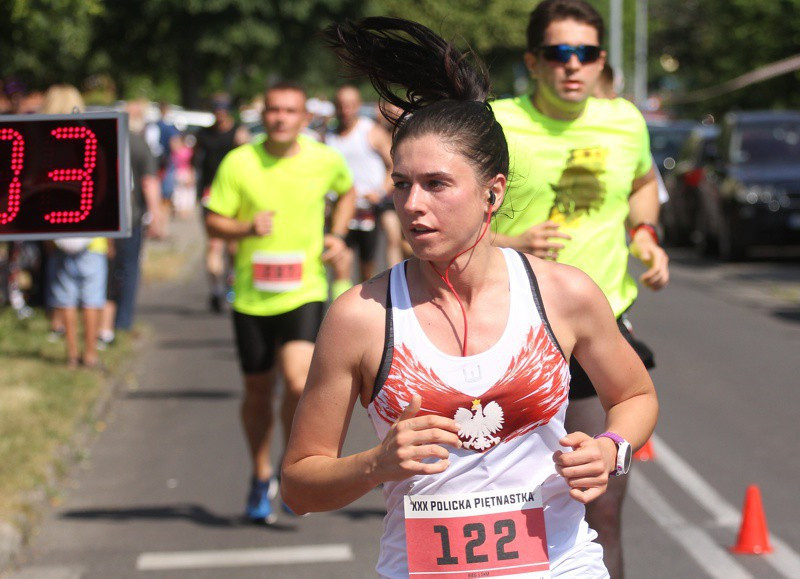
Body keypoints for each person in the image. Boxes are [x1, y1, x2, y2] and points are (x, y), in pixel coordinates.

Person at [282, 17, 658, 578]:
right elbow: (299, 484)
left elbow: (635, 395)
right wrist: (375, 464)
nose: (412, 205)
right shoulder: (362, 316)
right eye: (401, 184)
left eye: (436, 184)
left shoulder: (564, 293)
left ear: (493, 191)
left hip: (560, 567)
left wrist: (610, 449)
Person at [489, 2, 669, 576]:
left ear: (600, 61)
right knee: (505, 506)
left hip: (595, 332)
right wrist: (510, 240)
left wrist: (644, 232)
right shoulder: (495, 122)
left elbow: (642, 181)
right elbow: (448, 215)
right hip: (509, 332)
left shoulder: (624, 121)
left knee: (603, 505)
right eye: (558, 54)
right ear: (533, 62)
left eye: (586, 54)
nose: (573, 66)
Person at [204, 81, 357, 524]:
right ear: (263, 115)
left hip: (304, 290)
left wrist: (337, 234)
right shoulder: (240, 162)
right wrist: (245, 229)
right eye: (273, 110)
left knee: (296, 382)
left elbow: (346, 192)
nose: (280, 118)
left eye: (290, 111)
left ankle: (295, 473)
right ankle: (259, 474)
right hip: (252, 298)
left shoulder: (324, 160)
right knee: (257, 391)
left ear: (304, 118)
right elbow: (213, 222)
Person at [40, 84, 108, 368]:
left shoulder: (43, 146)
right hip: (92, 236)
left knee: (66, 296)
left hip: (59, 235)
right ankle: (90, 353)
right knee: (90, 298)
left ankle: (72, 355)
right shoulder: (94, 141)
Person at [99, 100, 166, 345]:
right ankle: (123, 320)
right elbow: (149, 182)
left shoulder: (102, 141)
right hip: (129, 218)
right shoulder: (139, 144)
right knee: (128, 269)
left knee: (105, 269)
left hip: (100, 217)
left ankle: (103, 319)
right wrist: (156, 215)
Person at [326, 86, 393, 282]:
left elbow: (395, 165)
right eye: (340, 106)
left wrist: (380, 191)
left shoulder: (371, 131)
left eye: (349, 105)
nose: (345, 110)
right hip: (340, 209)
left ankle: (365, 307)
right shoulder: (329, 135)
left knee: (367, 267)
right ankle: (341, 309)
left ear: (357, 106)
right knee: (340, 262)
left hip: (368, 209)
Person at [194, 97, 250, 312]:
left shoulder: (238, 133)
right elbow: (196, 161)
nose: (219, 112)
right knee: (215, 244)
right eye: (216, 108)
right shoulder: (204, 134)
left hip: (235, 193)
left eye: (222, 109)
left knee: (233, 247)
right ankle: (218, 289)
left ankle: (228, 284)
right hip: (212, 193)